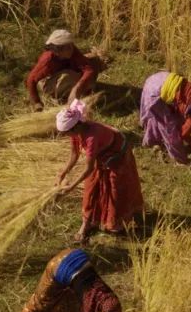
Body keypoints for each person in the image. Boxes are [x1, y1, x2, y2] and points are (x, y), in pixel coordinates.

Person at [55, 98, 145, 243]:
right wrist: (63, 172)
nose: (64, 135)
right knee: (91, 190)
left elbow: (89, 168)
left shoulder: (91, 137)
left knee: (116, 192)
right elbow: (74, 154)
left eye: (65, 132)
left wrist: (72, 187)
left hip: (117, 157)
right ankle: (86, 225)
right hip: (101, 155)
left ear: (74, 127)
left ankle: (121, 222)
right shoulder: (76, 132)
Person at [9, 248, 122, 312]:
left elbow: (114, 311)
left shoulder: (106, 293)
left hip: (77, 256)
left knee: (72, 301)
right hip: (59, 267)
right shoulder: (89, 302)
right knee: (40, 301)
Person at [24, 29, 102, 111]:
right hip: (51, 82)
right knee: (68, 76)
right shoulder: (47, 60)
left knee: (93, 61)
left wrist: (77, 88)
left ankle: (82, 91)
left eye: (71, 45)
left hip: (68, 77)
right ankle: (61, 97)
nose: (71, 49)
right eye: (67, 48)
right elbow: (31, 80)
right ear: (57, 50)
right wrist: (36, 102)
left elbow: (88, 69)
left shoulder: (73, 51)